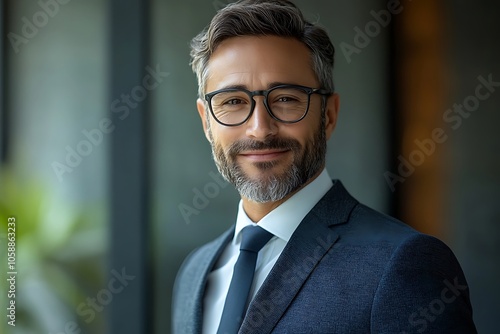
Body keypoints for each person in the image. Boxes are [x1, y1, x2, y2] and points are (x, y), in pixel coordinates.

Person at [172, 1, 477, 333]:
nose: (260, 129)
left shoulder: (404, 264)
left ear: (328, 115)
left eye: (286, 98)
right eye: (233, 102)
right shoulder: (195, 272)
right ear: (206, 121)